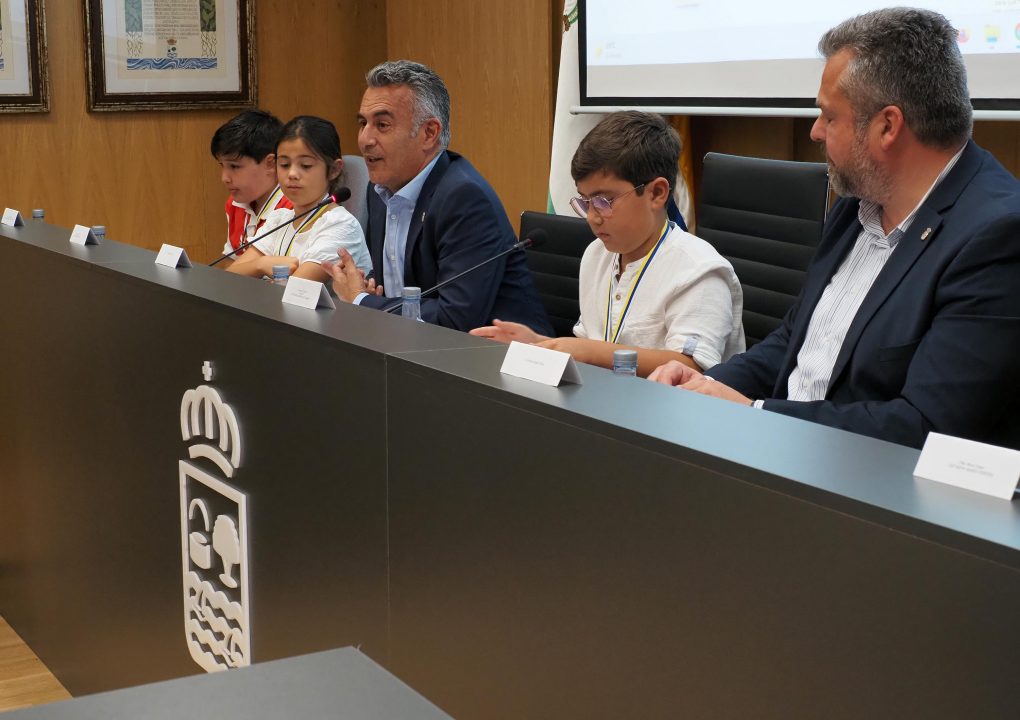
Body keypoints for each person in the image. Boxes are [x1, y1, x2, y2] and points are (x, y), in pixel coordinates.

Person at [649, 7, 1020, 450]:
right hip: (785, 449)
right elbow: (796, 340)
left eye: (828, 116)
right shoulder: (858, 201)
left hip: (869, 483)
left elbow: (925, 426)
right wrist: (706, 384)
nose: (815, 131)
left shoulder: (997, 236)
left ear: (887, 126)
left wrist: (753, 413)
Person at [471, 111, 743, 376]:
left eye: (604, 201)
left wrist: (586, 351)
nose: (592, 216)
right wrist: (540, 344)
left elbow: (688, 368)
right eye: (584, 201)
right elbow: (592, 348)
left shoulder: (698, 270)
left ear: (657, 193)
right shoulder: (596, 254)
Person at [322, 60, 552, 334]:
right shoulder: (379, 189)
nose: (365, 139)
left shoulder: (463, 198)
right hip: (411, 345)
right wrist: (368, 287)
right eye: (363, 123)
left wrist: (362, 300)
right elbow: (398, 285)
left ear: (429, 133)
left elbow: (455, 318)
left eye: (382, 125)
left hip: (498, 352)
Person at [227, 116, 371, 283]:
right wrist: (260, 264)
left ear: (334, 170)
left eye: (306, 165)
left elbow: (294, 291)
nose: (292, 174)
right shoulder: (279, 219)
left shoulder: (341, 225)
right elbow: (228, 278)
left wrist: (258, 269)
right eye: (284, 164)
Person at [210, 110, 293, 267]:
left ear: (271, 163)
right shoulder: (235, 203)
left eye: (234, 166)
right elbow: (231, 261)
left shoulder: (293, 209)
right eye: (222, 165)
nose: (224, 178)